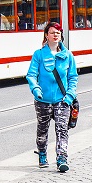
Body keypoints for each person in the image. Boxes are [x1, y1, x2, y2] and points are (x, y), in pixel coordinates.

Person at [26, 21, 78, 173]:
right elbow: (31, 75)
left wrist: (69, 96)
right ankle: (42, 153)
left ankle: (62, 158)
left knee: (62, 129)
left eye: (58, 33)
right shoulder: (39, 54)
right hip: (43, 100)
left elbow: (73, 78)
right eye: (52, 32)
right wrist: (35, 89)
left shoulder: (68, 55)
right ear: (46, 36)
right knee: (43, 129)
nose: (55, 35)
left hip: (63, 100)